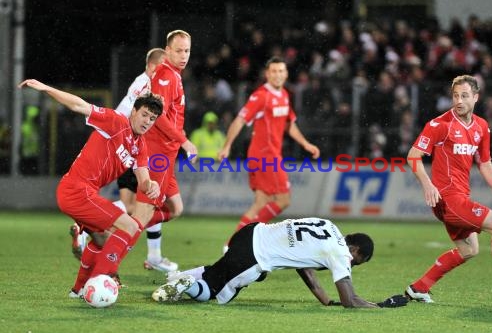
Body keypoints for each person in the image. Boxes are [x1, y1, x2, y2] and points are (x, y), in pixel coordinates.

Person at [405, 75, 492, 303]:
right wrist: (427, 183)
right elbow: (413, 157)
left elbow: (485, 163)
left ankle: (419, 288)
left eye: (464, 96)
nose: (459, 101)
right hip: (448, 199)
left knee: (469, 250)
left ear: (476, 97)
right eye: (455, 96)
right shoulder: (439, 125)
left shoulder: (481, 127)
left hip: (459, 198)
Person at [18, 79, 163, 297]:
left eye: (152, 119)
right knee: (131, 227)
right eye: (144, 114)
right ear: (133, 110)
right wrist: (47, 88)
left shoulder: (140, 146)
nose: (147, 121)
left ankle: (77, 290)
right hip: (76, 191)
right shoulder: (116, 122)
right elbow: (79, 105)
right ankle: (102, 280)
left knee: (101, 239)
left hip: (84, 193)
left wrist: (151, 186)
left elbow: (143, 180)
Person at [69, 48, 178, 272]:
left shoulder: (149, 84)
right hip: (130, 146)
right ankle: (94, 235)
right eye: (164, 66)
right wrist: (182, 139)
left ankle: (152, 254)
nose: (167, 71)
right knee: (147, 207)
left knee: (140, 206)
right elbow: (156, 118)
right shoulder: (149, 86)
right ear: (152, 67)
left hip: (131, 145)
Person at [151, 218, 408, 308]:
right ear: (354, 249)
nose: (351, 265)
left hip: (251, 232)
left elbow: (302, 264)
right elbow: (350, 301)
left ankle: (177, 278)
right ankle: (187, 284)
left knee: (219, 271)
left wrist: (325, 299)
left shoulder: (328, 225)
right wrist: (378, 306)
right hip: (254, 257)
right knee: (213, 293)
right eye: (356, 261)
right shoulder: (341, 253)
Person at [218, 56, 320, 250]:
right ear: (267, 74)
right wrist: (227, 145)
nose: (278, 75)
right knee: (283, 200)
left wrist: (306, 144)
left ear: (286, 73)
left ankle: (233, 244)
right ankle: (243, 242)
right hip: (265, 156)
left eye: (281, 71)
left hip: (267, 155)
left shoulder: (283, 95)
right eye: (274, 71)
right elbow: (240, 120)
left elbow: (290, 125)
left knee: (261, 202)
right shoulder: (261, 96)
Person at [132, 30, 198, 263]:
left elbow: (170, 115)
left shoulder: (173, 75)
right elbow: (157, 116)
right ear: (167, 51)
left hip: (166, 154)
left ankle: (119, 230)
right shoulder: (166, 76)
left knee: (176, 208)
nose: (183, 55)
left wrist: (180, 138)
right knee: (142, 215)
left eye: (187, 51)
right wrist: (185, 141)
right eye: (178, 50)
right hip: (156, 152)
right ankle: (105, 258)